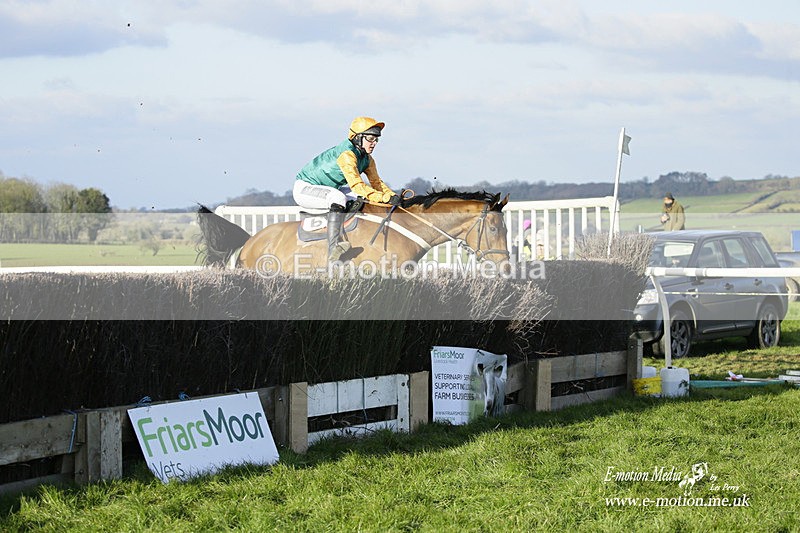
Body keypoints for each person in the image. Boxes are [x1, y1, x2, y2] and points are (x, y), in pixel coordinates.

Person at [294, 116, 400, 261]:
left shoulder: (367, 159)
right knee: (338, 198)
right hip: (305, 188)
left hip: (328, 188)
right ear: (357, 138)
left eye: (376, 139)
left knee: (360, 199)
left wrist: (392, 196)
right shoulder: (347, 155)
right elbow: (357, 186)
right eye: (370, 138)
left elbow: (377, 183)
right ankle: (333, 248)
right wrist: (383, 198)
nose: (374, 143)